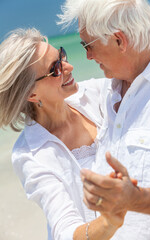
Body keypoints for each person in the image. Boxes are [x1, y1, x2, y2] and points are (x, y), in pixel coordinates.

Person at [0, 28, 128, 240]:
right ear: (30, 93)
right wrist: (109, 221)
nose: (69, 67)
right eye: (55, 69)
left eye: (61, 56)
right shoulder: (30, 155)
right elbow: (65, 231)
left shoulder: (97, 94)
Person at [58, 0, 150, 239]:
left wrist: (138, 199)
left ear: (119, 40)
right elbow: (46, 95)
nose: (87, 56)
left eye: (88, 44)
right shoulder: (105, 92)